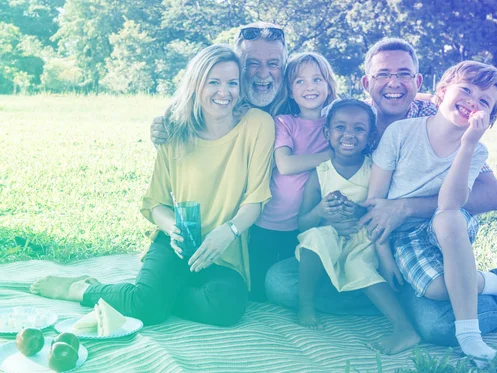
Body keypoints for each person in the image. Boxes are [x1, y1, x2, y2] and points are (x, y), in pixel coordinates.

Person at [265, 38, 497, 346]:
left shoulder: (438, 117)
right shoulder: (350, 120)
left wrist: (405, 206)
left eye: (403, 74)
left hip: (415, 244)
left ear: (417, 81)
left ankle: (494, 293)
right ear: (366, 82)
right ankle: (395, 303)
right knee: (281, 283)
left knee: (439, 327)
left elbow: (492, 196)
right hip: (360, 244)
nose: (394, 83)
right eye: (383, 74)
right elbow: (327, 178)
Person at [30, 44, 275, 327]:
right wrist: (174, 229)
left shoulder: (258, 125)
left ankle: (152, 295)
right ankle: (82, 289)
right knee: (146, 310)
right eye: (214, 82)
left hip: (222, 249)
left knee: (225, 307)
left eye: (232, 83)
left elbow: (255, 200)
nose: (224, 92)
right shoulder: (175, 131)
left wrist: (228, 231)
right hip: (177, 242)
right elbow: (156, 203)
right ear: (196, 86)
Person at [368, 61, 497, 361]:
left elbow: (451, 203)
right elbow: (375, 204)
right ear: (442, 91)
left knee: (447, 218)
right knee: (436, 289)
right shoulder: (400, 133)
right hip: (404, 235)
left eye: (484, 101)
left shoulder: (476, 150)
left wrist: (468, 145)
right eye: (466, 89)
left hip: (449, 225)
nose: (473, 100)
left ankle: (469, 334)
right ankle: (495, 283)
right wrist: (383, 256)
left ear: (489, 117)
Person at [296, 99, 421, 354]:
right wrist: (321, 211)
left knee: (358, 266)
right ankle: (305, 303)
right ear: (326, 132)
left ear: (371, 135)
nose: (349, 135)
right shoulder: (319, 172)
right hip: (330, 236)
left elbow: (380, 209)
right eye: (340, 127)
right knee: (313, 239)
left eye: (359, 129)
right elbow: (302, 224)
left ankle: (404, 328)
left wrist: (359, 211)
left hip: (363, 238)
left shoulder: (374, 169)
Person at [248, 52, 338, 301]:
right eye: (300, 81)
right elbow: (285, 164)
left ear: (329, 86)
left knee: (294, 283)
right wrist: (332, 155)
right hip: (269, 222)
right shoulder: (285, 122)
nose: (310, 87)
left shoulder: (336, 125)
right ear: (289, 90)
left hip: (308, 225)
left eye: (317, 79)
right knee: (257, 293)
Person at [151, 22, 286, 145]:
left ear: (284, 65)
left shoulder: (299, 101)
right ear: (237, 66)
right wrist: (160, 134)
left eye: (273, 64)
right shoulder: (212, 101)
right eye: (252, 63)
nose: (263, 73)